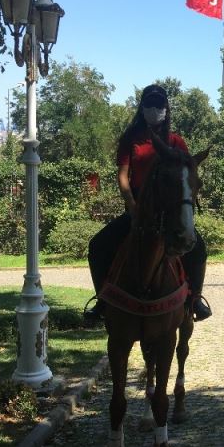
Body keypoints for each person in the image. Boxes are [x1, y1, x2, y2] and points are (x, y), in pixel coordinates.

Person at [84, 84, 212, 324]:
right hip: (138, 212)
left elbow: (187, 175)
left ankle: (195, 300)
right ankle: (102, 300)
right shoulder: (131, 140)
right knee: (98, 246)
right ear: (142, 108)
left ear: (166, 109)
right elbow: (123, 175)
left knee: (199, 249)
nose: (155, 109)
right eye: (150, 105)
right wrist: (132, 206)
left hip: (169, 213)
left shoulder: (176, 142)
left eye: (159, 105)